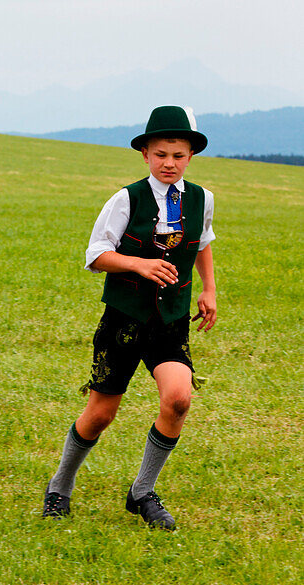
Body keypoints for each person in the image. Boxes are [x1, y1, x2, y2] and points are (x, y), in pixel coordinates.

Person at [41, 106, 218, 530]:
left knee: (178, 399)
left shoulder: (202, 198)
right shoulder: (126, 199)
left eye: (178, 154)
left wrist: (209, 288)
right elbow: (96, 255)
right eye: (160, 154)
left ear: (191, 154)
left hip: (171, 320)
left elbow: (203, 241)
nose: (169, 163)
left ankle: (142, 492)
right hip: (124, 320)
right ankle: (60, 484)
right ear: (145, 155)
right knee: (101, 414)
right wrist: (138, 265)